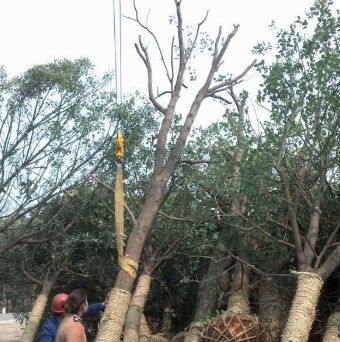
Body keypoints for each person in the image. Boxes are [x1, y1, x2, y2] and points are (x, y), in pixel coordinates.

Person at [39, 292, 105, 342]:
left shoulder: (71, 317)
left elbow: (88, 310)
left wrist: (102, 305)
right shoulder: (48, 327)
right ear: (65, 311)